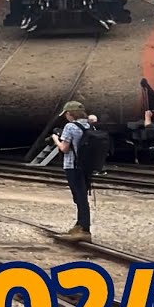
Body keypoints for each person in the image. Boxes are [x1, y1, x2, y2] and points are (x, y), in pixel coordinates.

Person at [50, 101, 93, 242]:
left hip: (72, 166)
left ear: (70, 114)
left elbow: (64, 148)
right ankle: (80, 225)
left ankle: (84, 229)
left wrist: (56, 138)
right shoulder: (89, 125)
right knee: (82, 196)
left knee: (79, 197)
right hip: (86, 166)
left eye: (66, 114)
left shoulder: (70, 126)